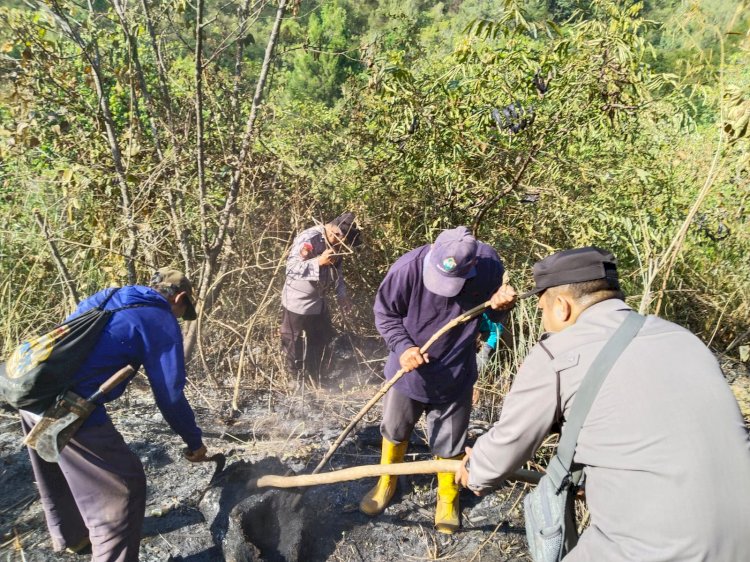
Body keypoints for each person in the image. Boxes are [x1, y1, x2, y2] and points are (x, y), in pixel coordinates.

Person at [457, 247, 750, 560]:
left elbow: (506, 446)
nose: (543, 322)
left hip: (654, 549)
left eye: (542, 309)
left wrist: (475, 469)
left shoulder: (557, 354)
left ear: (561, 307)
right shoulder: (682, 338)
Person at [19, 268, 209, 562]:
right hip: (66, 408)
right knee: (124, 488)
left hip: (33, 389)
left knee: (56, 463)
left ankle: (74, 536)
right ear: (180, 298)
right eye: (183, 311)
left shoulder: (110, 295)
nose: (179, 319)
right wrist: (194, 441)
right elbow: (170, 395)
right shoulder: (159, 319)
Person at [361, 226, 517, 533]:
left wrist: (502, 307)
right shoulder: (407, 269)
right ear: (433, 251)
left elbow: (490, 319)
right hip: (408, 372)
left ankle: (447, 497)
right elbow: (385, 314)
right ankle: (386, 483)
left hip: (455, 372)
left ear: (472, 267)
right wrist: (404, 348)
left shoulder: (489, 267)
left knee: (449, 441)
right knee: (394, 430)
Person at [280, 212, 361, 378]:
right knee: (292, 341)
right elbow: (291, 269)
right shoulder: (309, 239)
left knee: (322, 338)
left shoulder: (338, 244)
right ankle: (294, 378)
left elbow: (338, 271)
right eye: (343, 243)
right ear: (335, 232)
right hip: (296, 300)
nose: (342, 248)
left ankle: (316, 375)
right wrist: (318, 262)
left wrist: (342, 295)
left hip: (319, 300)